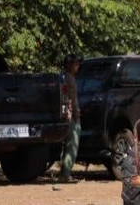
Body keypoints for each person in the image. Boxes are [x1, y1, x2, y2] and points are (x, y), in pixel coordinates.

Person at [59, 54, 82, 183]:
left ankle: (64, 172)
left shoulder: (63, 77)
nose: (77, 66)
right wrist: (75, 113)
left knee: (68, 144)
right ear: (69, 65)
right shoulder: (69, 79)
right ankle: (66, 173)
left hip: (67, 114)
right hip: (71, 115)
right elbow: (71, 98)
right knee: (72, 143)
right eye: (75, 63)